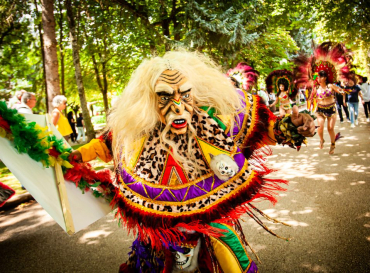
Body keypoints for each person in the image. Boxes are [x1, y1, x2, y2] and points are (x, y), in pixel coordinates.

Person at [69, 51, 315, 272]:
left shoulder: (214, 118)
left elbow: (264, 128)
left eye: (184, 94)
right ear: (150, 100)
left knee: (225, 260)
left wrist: (291, 126)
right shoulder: (138, 126)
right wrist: (77, 155)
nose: (178, 106)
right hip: (162, 227)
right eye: (165, 97)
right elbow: (108, 142)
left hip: (211, 224)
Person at [314, 70, 343, 154]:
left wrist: (341, 91)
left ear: (325, 78)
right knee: (320, 126)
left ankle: (333, 145)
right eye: (318, 77)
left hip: (331, 109)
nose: (318, 79)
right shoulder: (316, 88)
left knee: (330, 128)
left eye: (320, 77)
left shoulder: (330, 86)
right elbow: (312, 98)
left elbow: (340, 90)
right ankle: (321, 140)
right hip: (320, 109)